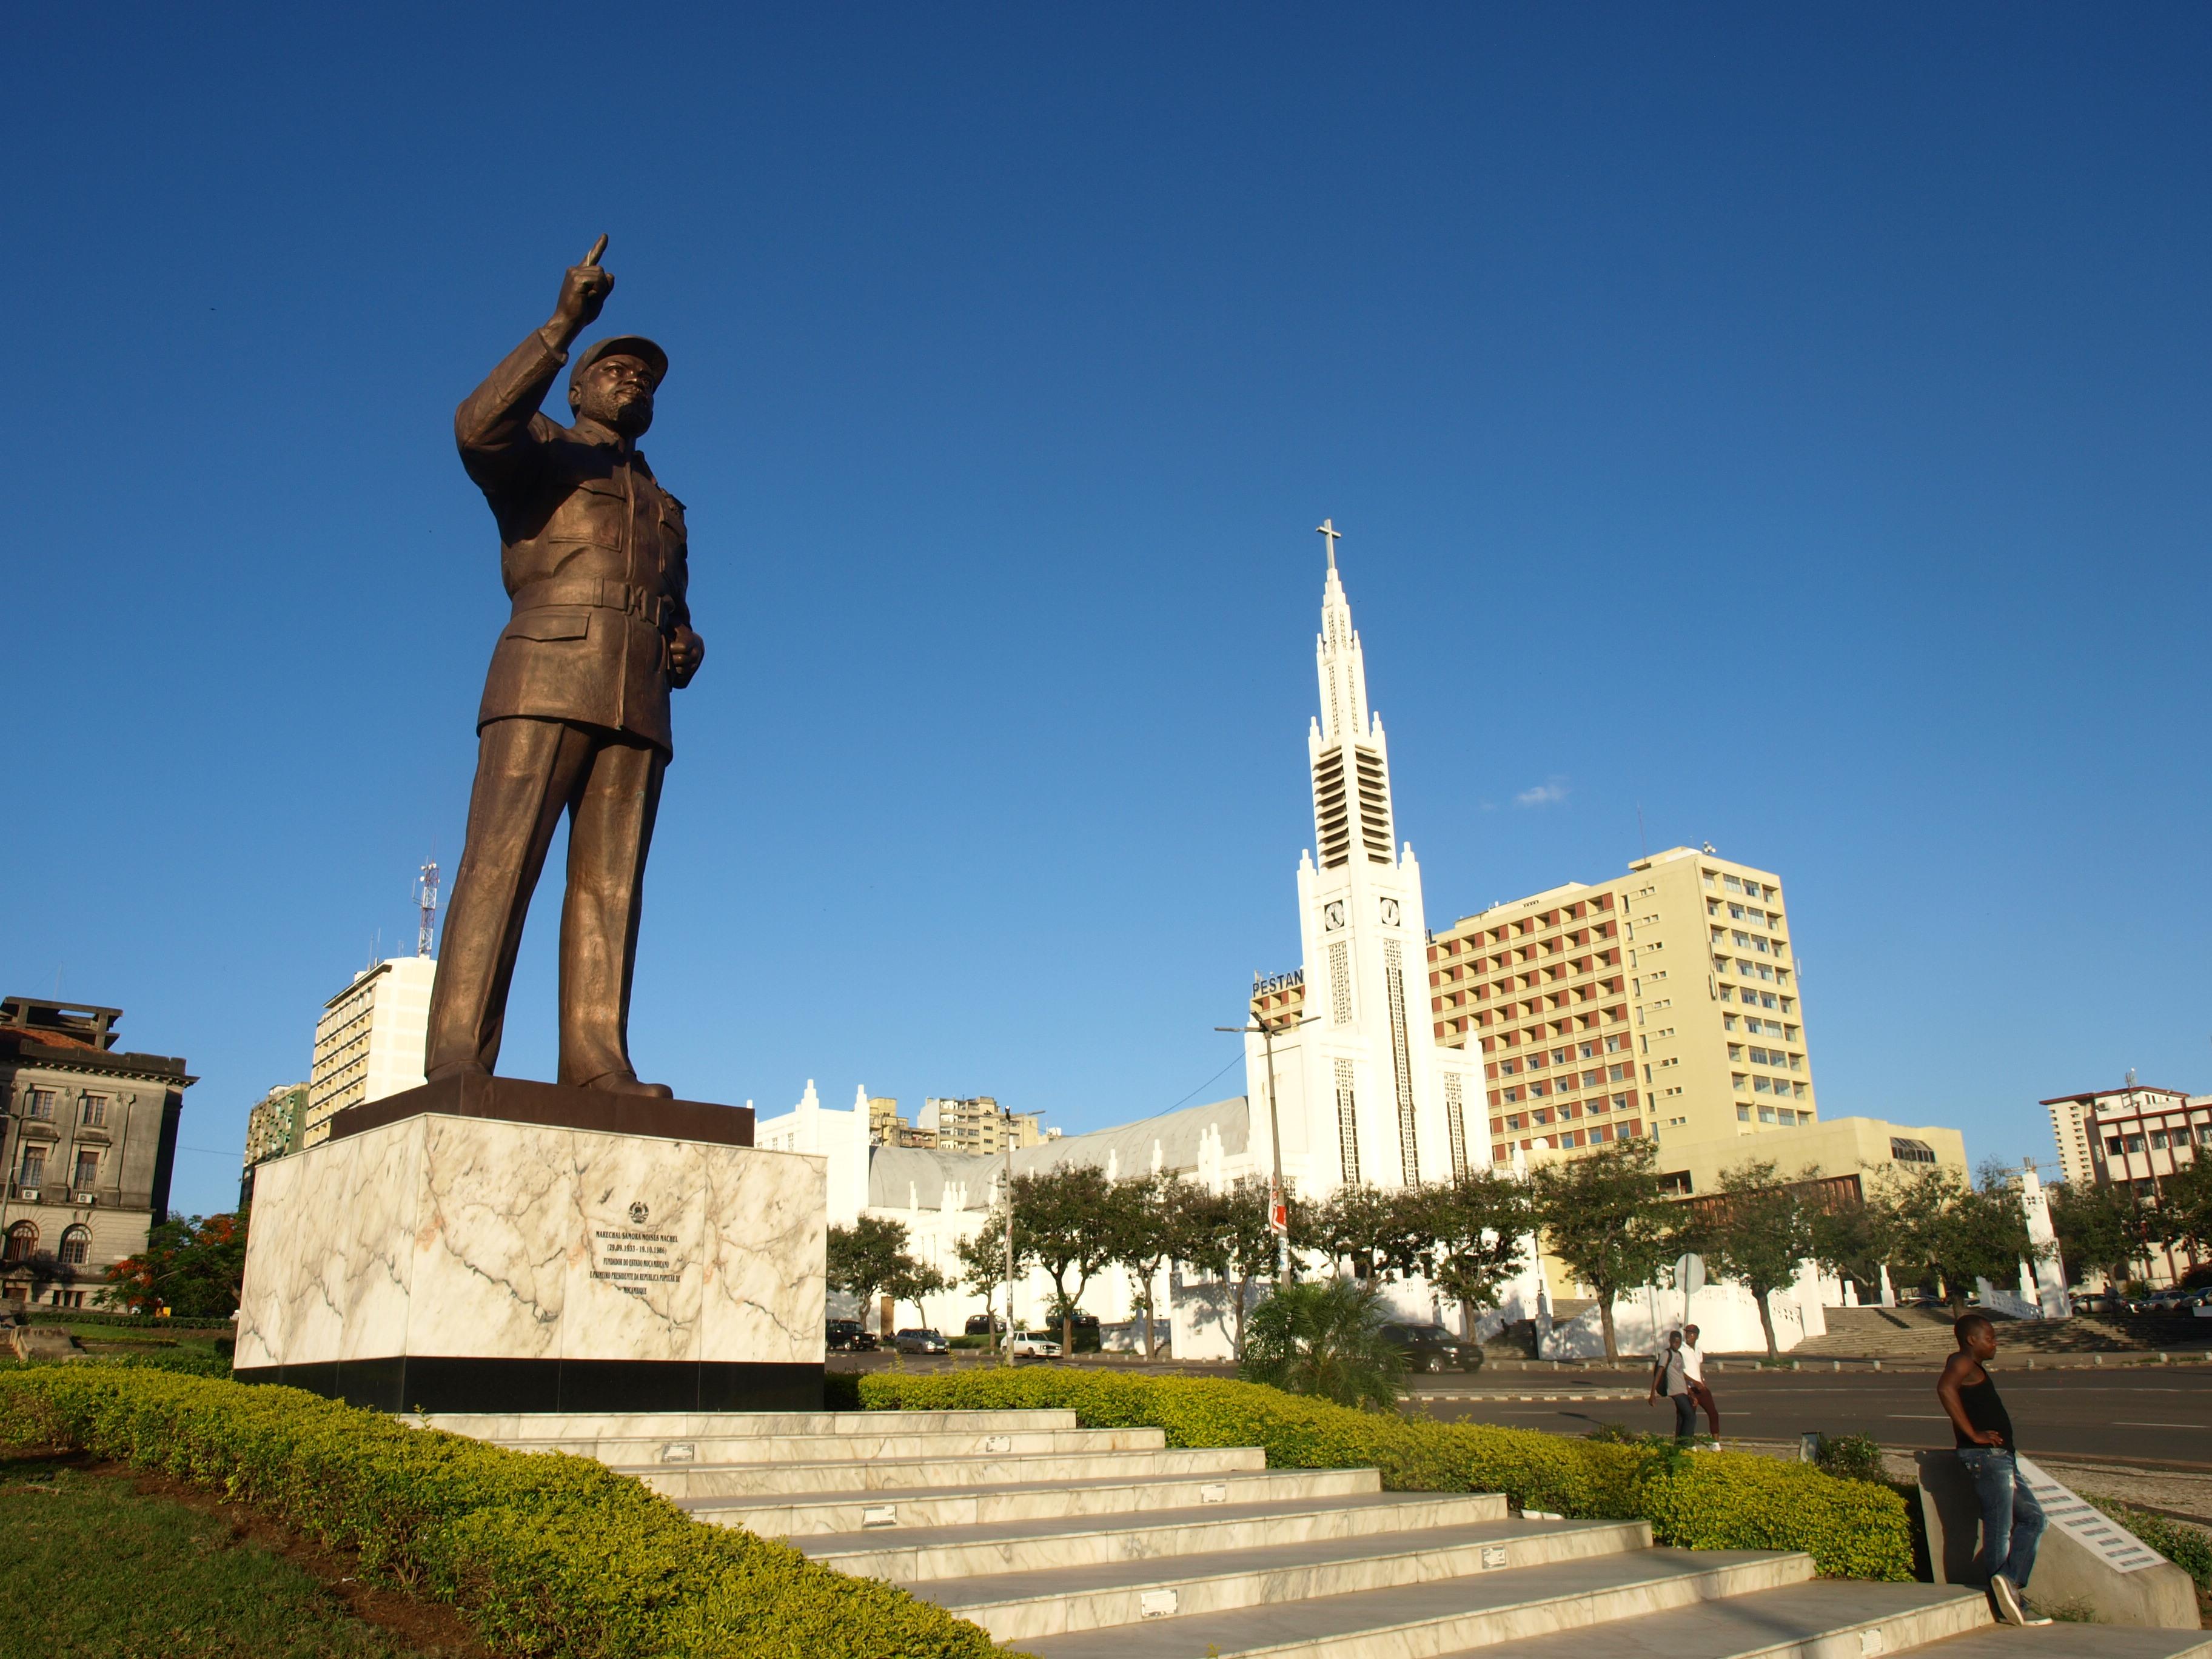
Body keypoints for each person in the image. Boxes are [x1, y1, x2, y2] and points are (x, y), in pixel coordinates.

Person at [424, 236, 707, 1096]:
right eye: (616, 371)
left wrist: (685, 642)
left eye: (646, 380)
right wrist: (562, 324)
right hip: (545, 674)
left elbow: (674, 602)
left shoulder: (664, 503)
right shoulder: (541, 449)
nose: (634, 383)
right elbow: (476, 426)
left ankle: (596, 1059)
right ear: (578, 386)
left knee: (611, 888)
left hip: (638, 700)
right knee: (502, 863)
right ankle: (458, 1059)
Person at [1937, 1313, 2050, 1627]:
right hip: (1987, 1458)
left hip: (1999, 1457)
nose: (1995, 1343)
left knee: (2034, 1519)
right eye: (1990, 1338)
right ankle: (2007, 1601)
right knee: (1999, 1530)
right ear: (1972, 1340)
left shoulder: (1972, 1366)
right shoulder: (1962, 1361)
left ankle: (2009, 1582)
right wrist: (1974, 1435)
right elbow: (1945, 1389)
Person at [1647, 1329, 1695, 1441]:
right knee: (1690, 1416)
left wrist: (1690, 1391)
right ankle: (1685, 1442)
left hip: (1682, 1389)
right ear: (1670, 1341)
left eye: (1678, 1342)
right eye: (1674, 1342)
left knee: (1682, 1417)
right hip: (1675, 1390)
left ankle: (1679, 1443)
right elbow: (1659, 1373)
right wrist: (1652, 1393)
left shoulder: (1679, 1354)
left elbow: (1681, 1374)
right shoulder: (1666, 1354)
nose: (1676, 1344)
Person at [1681, 1323, 1720, 1445]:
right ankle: (1689, 1445)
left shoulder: (1698, 1348)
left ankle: (1716, 1445)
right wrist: (1693, 1382)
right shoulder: (1681, 1350)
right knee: (1690, 1418)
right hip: (1689, 1388)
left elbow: (1697, 1366)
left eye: (1692, 1334)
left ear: (1697, 1336)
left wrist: (1701, 1380)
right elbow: (1678, 1371)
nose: (1689, 1336)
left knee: (1713, 1413)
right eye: (1687, 1333)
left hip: (1701, 1388)